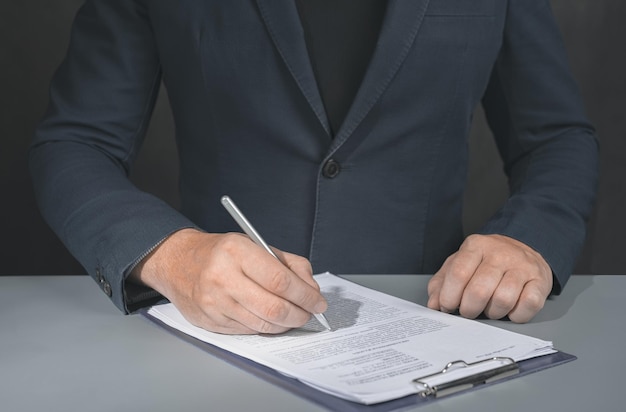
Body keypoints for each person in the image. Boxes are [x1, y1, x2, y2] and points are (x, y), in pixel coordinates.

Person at [30, 0, 598, 334]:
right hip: (219, 341)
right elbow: (74, 143)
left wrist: (528, 241)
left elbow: (555, 137)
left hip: (434, 331)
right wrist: (171, 256)